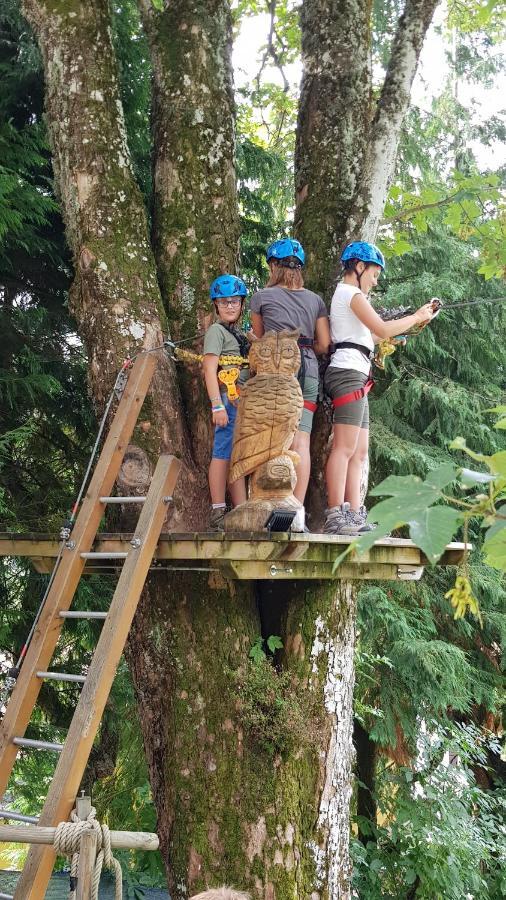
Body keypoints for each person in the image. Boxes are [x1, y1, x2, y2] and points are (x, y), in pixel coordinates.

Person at [323, 240, 435, 535]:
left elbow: (371, 337)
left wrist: (410, 324)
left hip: (355, 372)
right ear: (359, 267)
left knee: (359, 451)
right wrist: (417, 317)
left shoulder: (350, 295)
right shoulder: (352, 293)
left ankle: (354, 514)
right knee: (345, 447)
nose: (376, 279)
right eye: (375, 272)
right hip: (348, 372)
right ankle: (336, 515)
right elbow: (382, 329)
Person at [250, 238, 331, 530]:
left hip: (276, 370)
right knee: (301, 440)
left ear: (274, 266)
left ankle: (270, 506)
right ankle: (296, 512)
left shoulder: (261, 297)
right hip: (308, 366)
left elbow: (260, 341)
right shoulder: (315, 301)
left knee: (273, 437)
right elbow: (324, 343)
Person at [203, 274, 250, 530]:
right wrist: (216, 405)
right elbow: (209, 369)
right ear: (216, 305)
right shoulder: (216, 331)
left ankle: (242, 510)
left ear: (241, 304)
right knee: (222, 451)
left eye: (234, 302)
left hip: (243, 399)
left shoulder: (240, 335)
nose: (230, 306)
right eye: (224, 302)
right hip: (227, 398)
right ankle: (218, 511)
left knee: (238, 454)